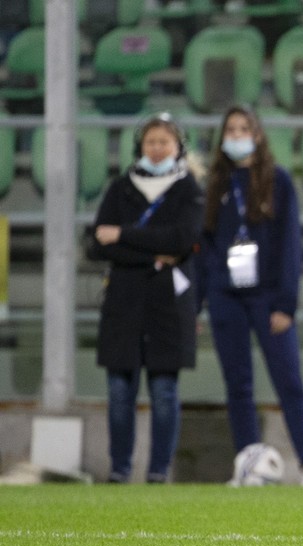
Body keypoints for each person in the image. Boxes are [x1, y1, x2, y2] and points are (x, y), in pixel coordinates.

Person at [199, 105, 303, 488]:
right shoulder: (216, 183)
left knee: (289, 381)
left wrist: (286, 303)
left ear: (258, 134)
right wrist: (206, 295)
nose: (236, 135)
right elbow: (207, 244)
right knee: (238, 385)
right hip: (226, 299)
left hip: (269, 298)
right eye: (229, 129)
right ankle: (249, 466)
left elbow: (289, 247)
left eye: (243, 128)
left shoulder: (277, 181)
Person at [89, 112, 204, 484]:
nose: (156, 149)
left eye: (164, 142)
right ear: (140, 145)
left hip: (167, 304)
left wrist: (121, 235)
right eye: (151, 142)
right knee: (120, 390)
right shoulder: (121, 187)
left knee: (164, 390)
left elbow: (183, 240)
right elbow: (96, 245)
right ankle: (120, 469)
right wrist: (154, 253)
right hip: (123, 303)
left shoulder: (189, 189)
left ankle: (158, 471)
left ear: (178, 147)